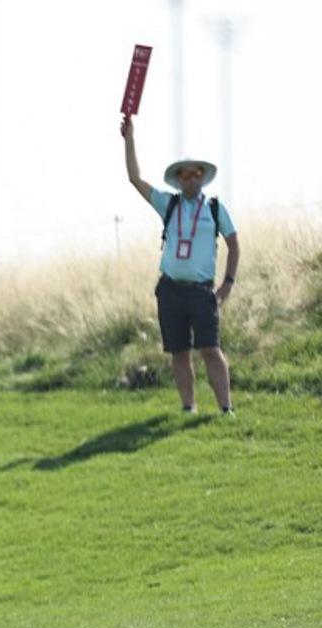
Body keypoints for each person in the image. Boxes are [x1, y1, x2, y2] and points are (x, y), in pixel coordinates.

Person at [121, 115, 240, 416]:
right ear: (179, 179)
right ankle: (189, 408)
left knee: (210, 350)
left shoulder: (214, 207)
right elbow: (135, 178)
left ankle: (226, 409)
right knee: (178, 352)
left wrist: (227, 283)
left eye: (196, 173)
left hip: (202, 291)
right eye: (185, 175)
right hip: (170, 289)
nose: (191, 178)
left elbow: (234, 243)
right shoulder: (168, 204)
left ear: (202, 177)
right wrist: (130, 139)